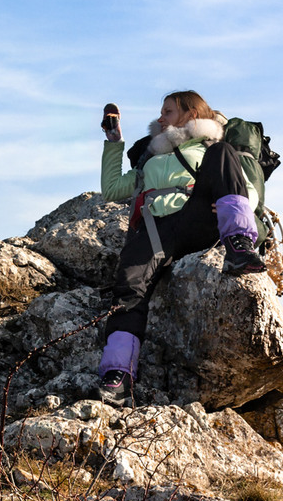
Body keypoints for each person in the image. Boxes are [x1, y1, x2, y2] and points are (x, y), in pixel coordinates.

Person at [97, 91, 265, 408]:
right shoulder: (151, 160)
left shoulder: (211, 150)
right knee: (128, 288)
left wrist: (226, 206)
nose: (160, 118)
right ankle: (118, 376)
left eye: (168, 111)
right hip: (155, 229)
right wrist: (113, 141)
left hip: (196, 221)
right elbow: (111, 190)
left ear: (190, 114)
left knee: (223, 152)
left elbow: (250, 191)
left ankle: (239, 245)